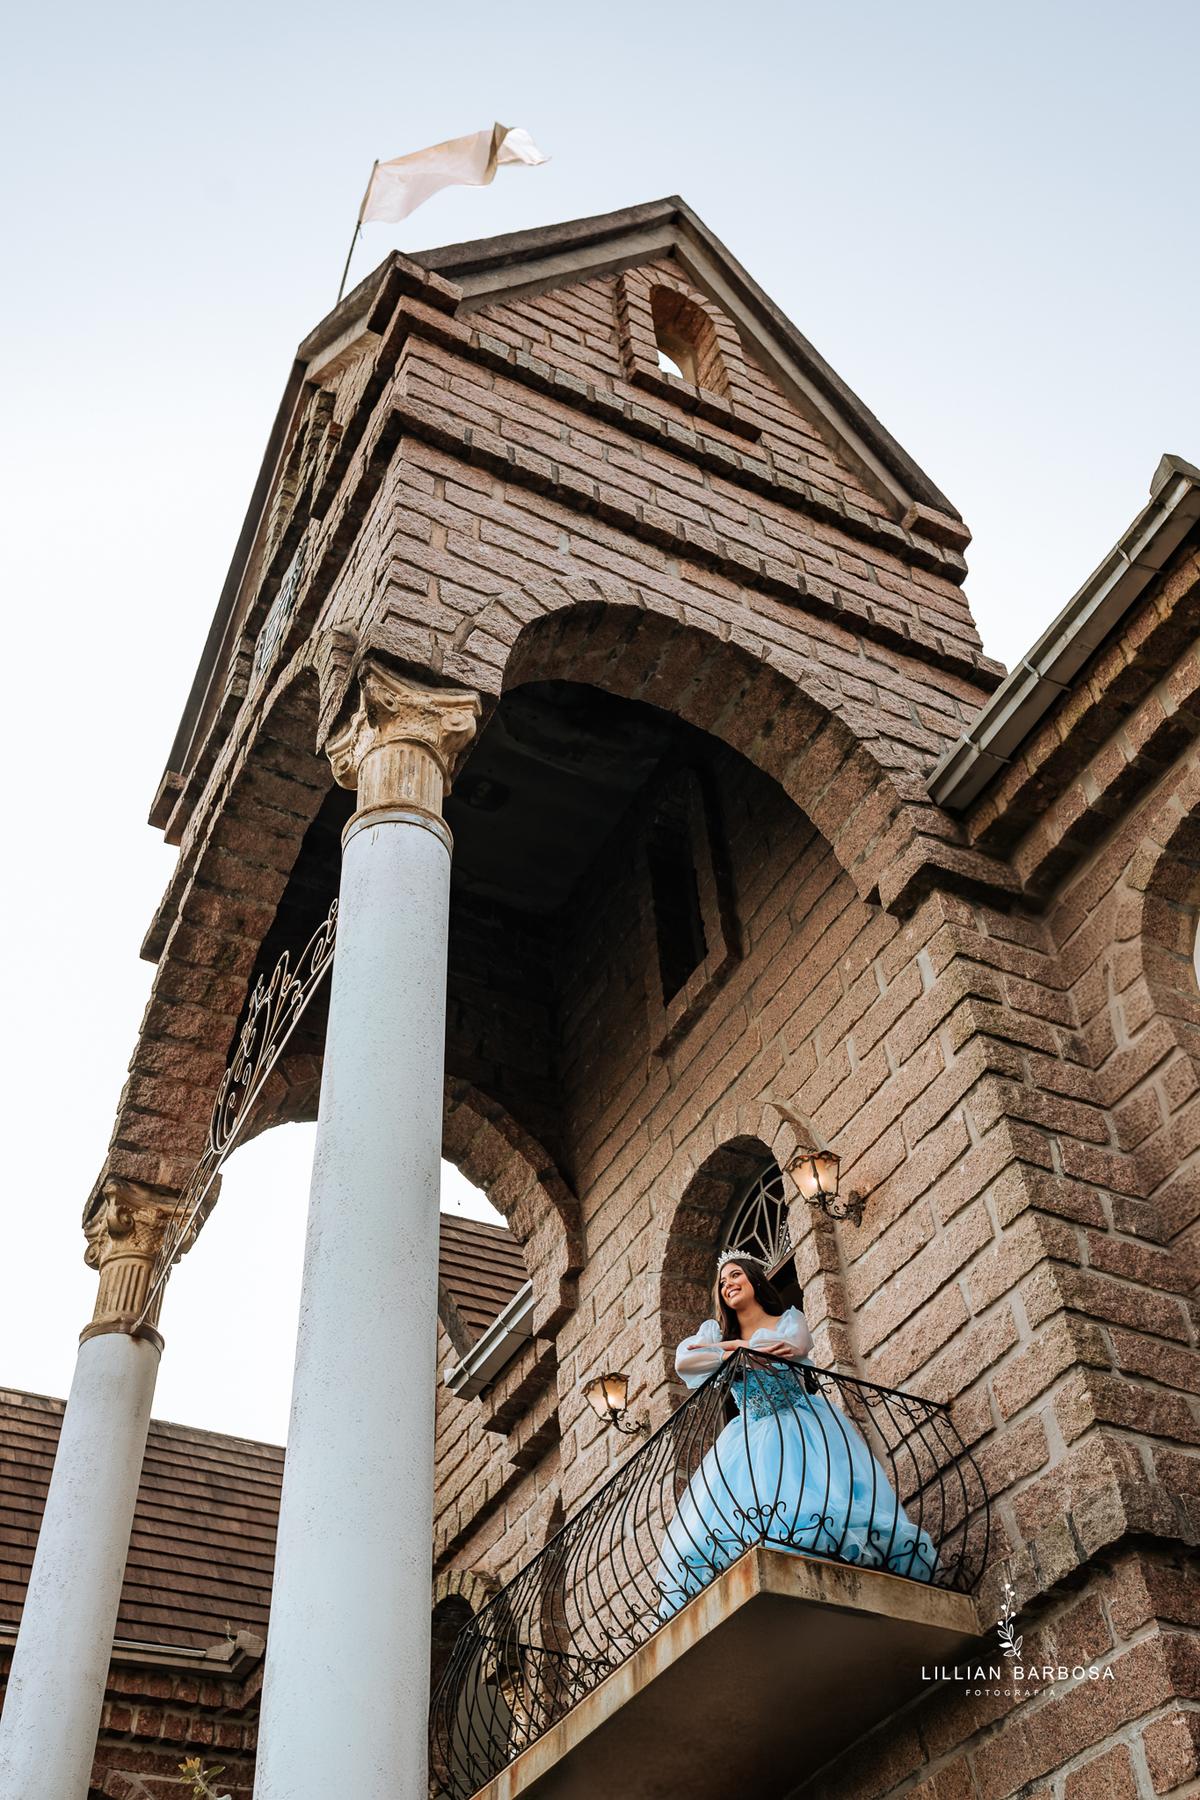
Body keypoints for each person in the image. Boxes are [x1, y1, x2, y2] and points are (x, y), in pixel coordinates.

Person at [655, 1252, 937, 1614]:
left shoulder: (788, 1319)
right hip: (748, 1438)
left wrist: (729, 1351)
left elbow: (790, 1351)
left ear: (755, 1280)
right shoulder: (713, 1333)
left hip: (801, 1425)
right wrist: (737, 1348)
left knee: (816, 1510)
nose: (728, 1285)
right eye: (722, 1282)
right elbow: (685, 1361)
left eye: (736, 1275)